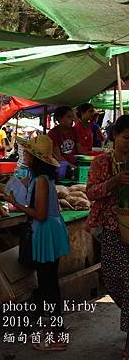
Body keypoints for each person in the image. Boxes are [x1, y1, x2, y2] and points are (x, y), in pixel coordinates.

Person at [0, 135, 70, 351]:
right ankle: (52, 331)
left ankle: (56, 337)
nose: (23, 155)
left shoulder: (41, 180)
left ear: (34, 157)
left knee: (48, 284)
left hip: (45, 232)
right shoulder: (34, 177)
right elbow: (7, 188)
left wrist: (16, 204)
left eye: (26, 152)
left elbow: (40, 214)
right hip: (46, 231)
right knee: (47, 283)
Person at [86, 115, 129, 359]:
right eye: (126, 138)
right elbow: (90, 193)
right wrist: (114, 182)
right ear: (114, 136)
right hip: (111, 230)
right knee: (113, 282)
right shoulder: (101, 163)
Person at [48, 106, 83, 175]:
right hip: (61, 168)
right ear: (60, 119)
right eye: (69, 117)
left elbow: (80, 151)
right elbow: (58, 156)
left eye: (72, 117)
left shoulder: (74, 131)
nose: (72, 119)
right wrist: (71, 166)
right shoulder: (53, 133)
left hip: (75, 165)